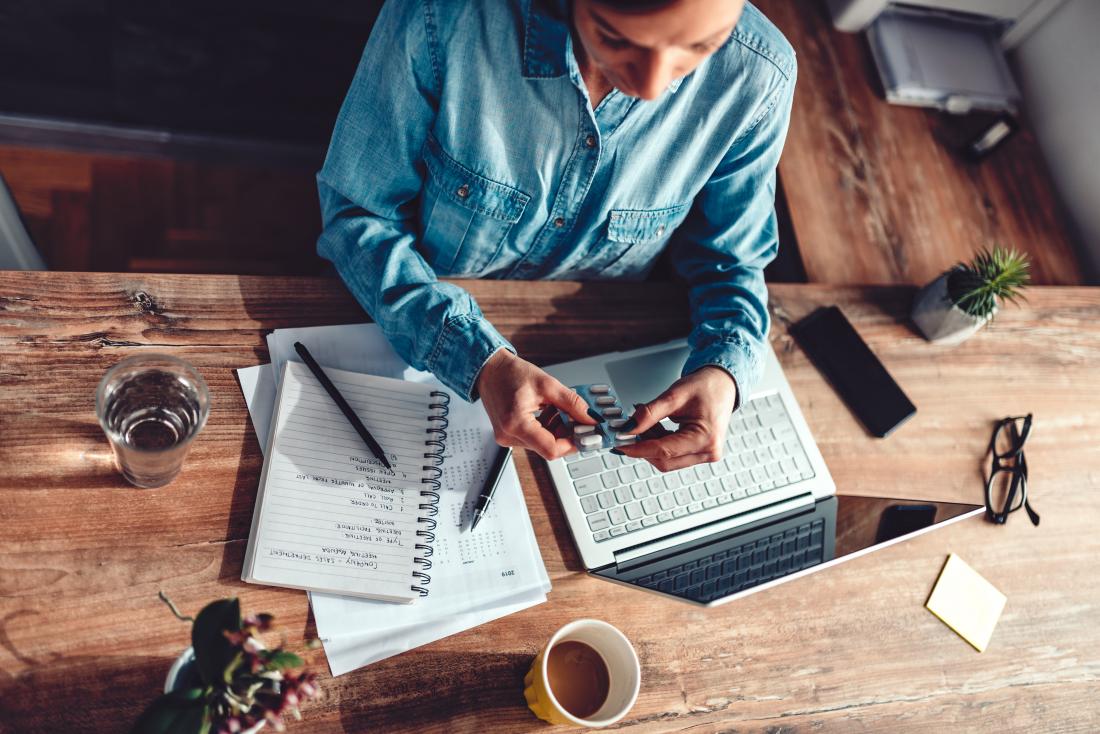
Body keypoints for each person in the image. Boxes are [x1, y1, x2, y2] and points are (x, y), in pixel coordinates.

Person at [317, 0, 795, 472]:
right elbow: (361, 216)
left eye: (700, 45)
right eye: (615, 36)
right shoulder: (440, 15)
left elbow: (730, 262)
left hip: (604, 343)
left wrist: (725, 371)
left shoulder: (760, 75)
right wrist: (476, 358)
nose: (651, 87)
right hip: (413, 335)